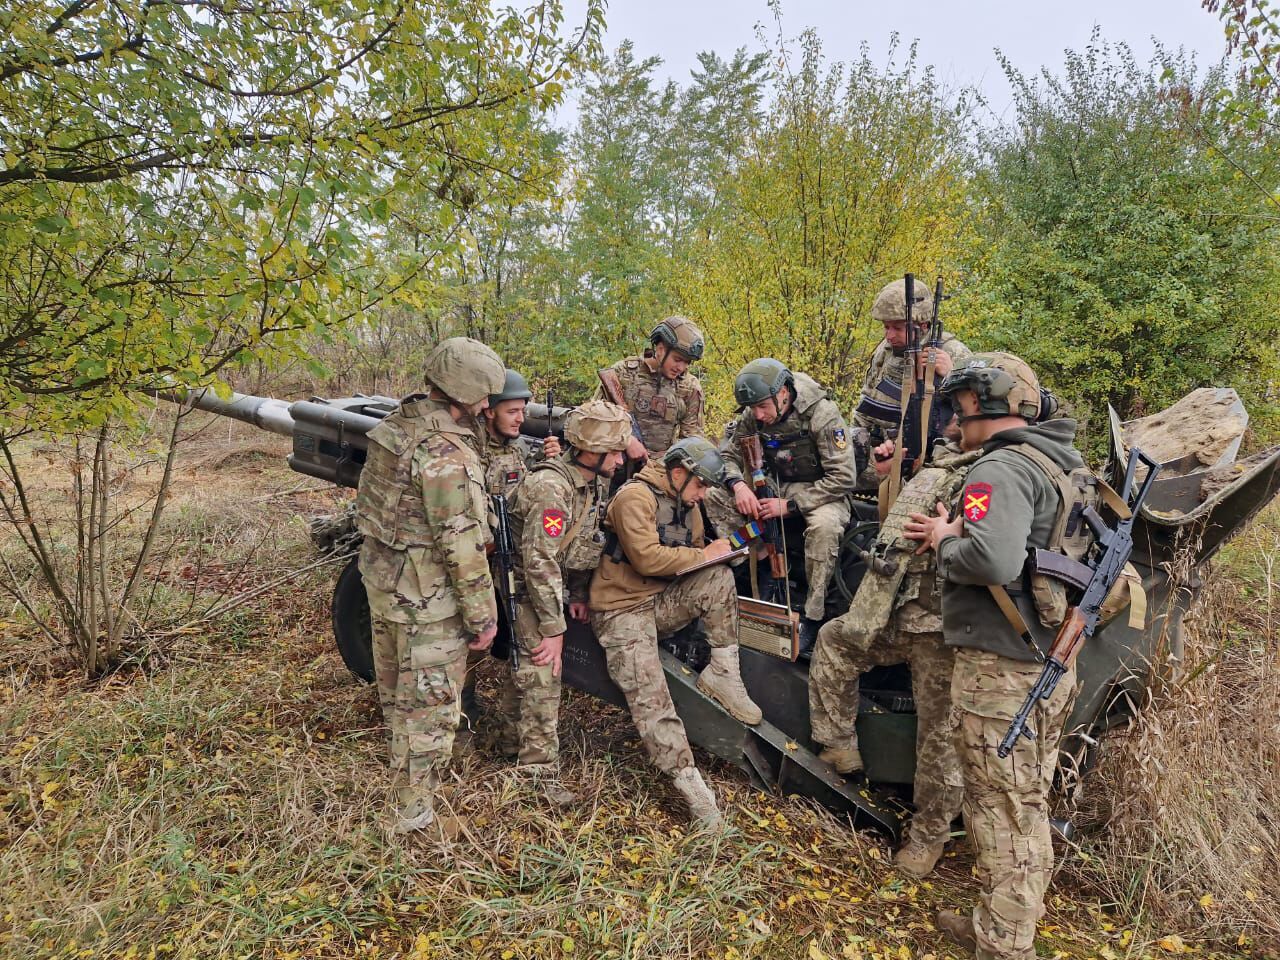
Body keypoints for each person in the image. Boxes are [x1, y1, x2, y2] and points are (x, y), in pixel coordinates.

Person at [902, 353, 1087, 960]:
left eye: (959, 403)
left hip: (1003, 671)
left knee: (1003, 812)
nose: (955, 415)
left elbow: (990, 561)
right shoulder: (1059, 465)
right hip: (1046, 660)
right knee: (1023, 803)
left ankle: (1004, 948)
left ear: (981, 402)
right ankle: (999, 926)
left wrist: (944, 539)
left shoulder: (999, 471)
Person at [807, 414, 978, 878]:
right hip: (892, 612)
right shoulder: (941, 465)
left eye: (965, 412)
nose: (955, 420)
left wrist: (954, 532)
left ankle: (927, 839)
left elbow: (989, 545)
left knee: (938, 738)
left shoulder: (988, 473)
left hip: (941, 631)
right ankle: (839, 744)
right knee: (833, 642)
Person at [354, 336, 506, 836]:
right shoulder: (444, 454)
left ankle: (404, 785)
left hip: (385, 588)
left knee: (398, 695)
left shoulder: (395, 428)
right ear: (462, 392)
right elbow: (460, 545)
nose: (488, 406)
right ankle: (412, 816)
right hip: (429, 601)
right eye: (484, 396)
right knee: (429, 710)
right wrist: (483, 617)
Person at [588, 437, 763, 828]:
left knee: (718, 576)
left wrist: (723, 554)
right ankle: (695, 794)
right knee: (653, 700)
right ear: (680, 473)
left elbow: (698, 556)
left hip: (659, 602)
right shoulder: (635, 497)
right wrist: (705, 555)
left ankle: (723, 674)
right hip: (621, 610)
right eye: (700, 486)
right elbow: (648, 558)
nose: (702, 496)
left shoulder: (688, 502)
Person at [495, 399, 632, 803]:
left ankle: (506, 741)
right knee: (542, 668)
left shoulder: (591, 480)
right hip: (523, 583)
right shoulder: (552, 489)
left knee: (526, 667)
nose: (622, 458)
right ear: (593, 450)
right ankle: (537, 774)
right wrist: (554, 629)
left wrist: (576, 593)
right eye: (617, 450)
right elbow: (539, 562)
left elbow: (577, 544)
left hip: (549, 583)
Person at [704, 358, 858, 652]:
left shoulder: (821, 414)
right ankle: (760, 562)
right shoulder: (754, 414)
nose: (759, 416)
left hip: (821, 491)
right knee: (713, 496)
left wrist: (789, 506)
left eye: (763, 407)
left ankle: (813, 615)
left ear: (784, 393)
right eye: (754, 409)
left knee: (825, 528)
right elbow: (729, 456)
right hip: (772, 486)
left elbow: (843, 476)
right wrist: (738, 486)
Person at [460, 369, 560, 752]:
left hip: (509, 560)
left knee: (515, 640)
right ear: (489, 411)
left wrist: (546, 462)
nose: (521, 418)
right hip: (475, 560)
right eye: (513, 411)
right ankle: (462, 721)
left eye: (523, 410)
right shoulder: (471, 451)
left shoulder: (517, 448)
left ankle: (507, 730)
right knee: (468, 643)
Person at [851, 278, 971, 493]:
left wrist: (950, 374)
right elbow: (867, 402)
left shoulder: (953, 352)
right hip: (884, 449)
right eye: (886, 327)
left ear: (923, 325)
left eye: (897, 328)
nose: (889, 336)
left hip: (932, 455)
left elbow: (975, 411)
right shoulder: (886, 351)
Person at [593, 316, 707, 464]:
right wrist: (627, 439)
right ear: (660, 349)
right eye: (677, 359)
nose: (681, 368)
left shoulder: (689, 387)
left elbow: (692, 441)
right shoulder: (623, 373)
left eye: (687, 363)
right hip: (613, 463)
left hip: (660, 470)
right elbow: (592, 420)